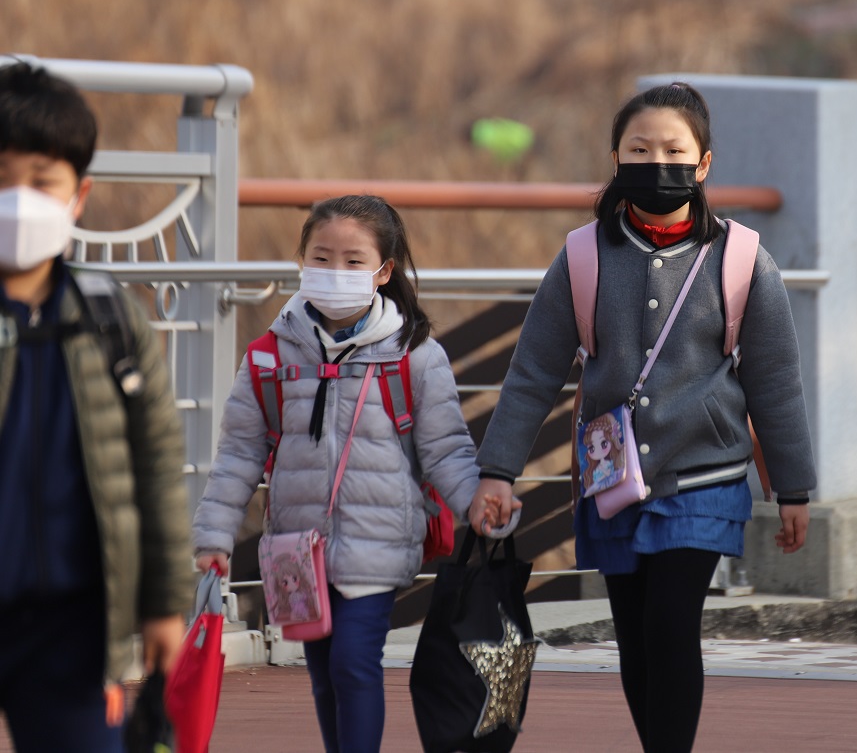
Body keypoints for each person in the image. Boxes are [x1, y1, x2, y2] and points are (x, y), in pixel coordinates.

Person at [477, 82, 816, 753]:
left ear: (704, 163)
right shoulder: (582, 256)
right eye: (640, 148)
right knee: (632, 633)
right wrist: (497, 470)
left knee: (669, 620)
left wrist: (793, 486)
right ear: (616, 158)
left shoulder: (743, 259)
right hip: (611, 480)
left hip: (706, 474)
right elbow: (532, 373)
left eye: (673, 149)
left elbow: (775, 379)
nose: (657, 161)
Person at [191, 194, 512, 752]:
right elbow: (240, 453)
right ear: (300, 260)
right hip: (296, 550)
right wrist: (215, 535)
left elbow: (445, 450)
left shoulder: (414, 355)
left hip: (377, 542)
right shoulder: (270, 355)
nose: (334, 272)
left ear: (383, 272)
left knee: (352, 663)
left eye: (353, 261)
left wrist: (476, 503)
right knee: (322, 672)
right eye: (320, 257)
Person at [0, 61, 191, 750]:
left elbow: (157, 465)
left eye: (40, 181)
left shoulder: (110, 316)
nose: (16, 199)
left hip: (75, 622)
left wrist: (166, 602)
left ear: (77, 196)